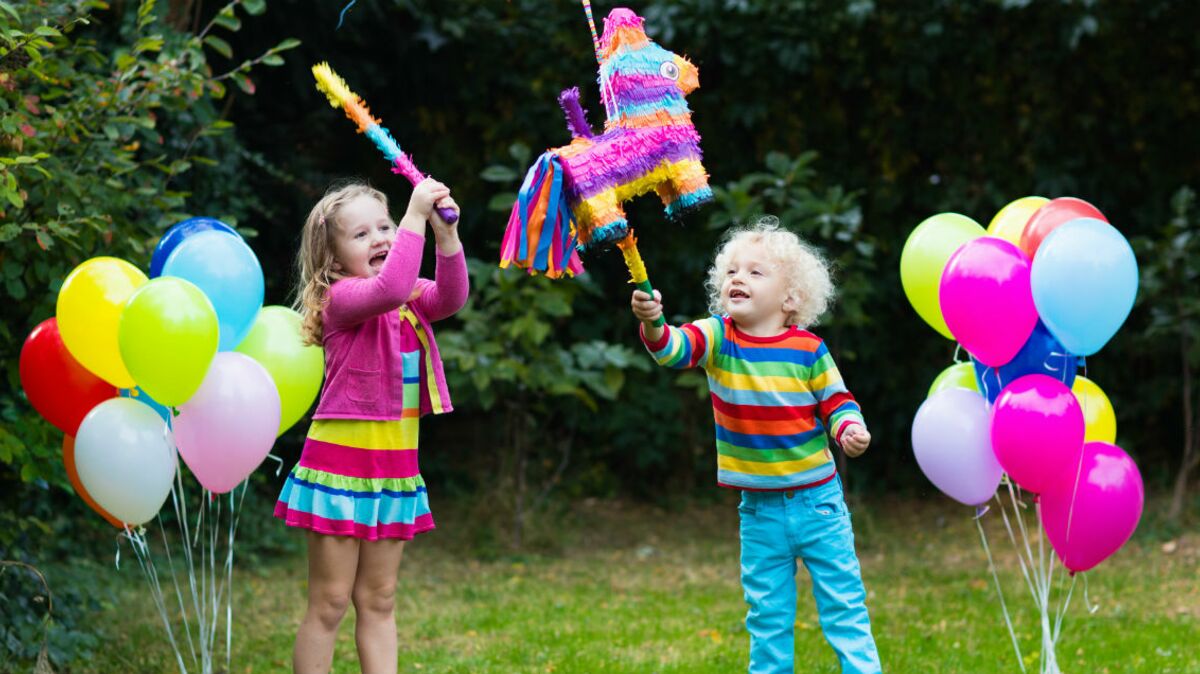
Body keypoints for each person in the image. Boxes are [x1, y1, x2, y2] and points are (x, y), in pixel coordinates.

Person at [630, 218, 881, 673]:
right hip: (759, 511)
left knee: (845, 610)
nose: (737, 279)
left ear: (790, 298)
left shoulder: (809, 349)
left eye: (755, 272)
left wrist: (849, 429)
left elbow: (837, 401)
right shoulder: (719, 338)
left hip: (819, 504)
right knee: (767, 619)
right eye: (731, 272)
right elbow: (672, 348)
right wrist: (652, 324)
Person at [275, 179, 466, 673]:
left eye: (384, 226)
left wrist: (447, 239)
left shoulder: (406, 300)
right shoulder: (343, 299)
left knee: (379, 600)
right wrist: (414, 216)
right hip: (339, 472)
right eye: (361, 235)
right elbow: (391, 286)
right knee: (331, 602)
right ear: (334, 259)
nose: (381, 238)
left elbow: (449, 298)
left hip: (394, 473)